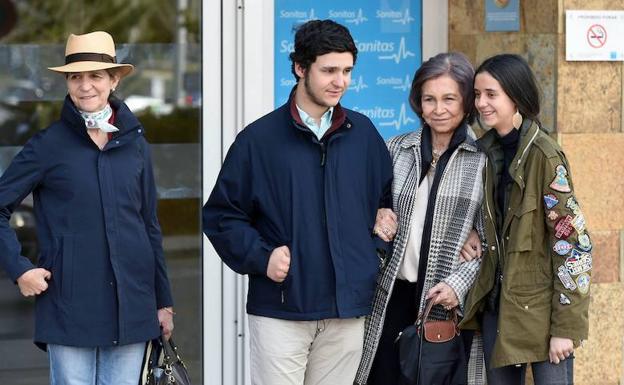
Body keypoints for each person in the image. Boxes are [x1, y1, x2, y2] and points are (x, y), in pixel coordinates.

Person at [202, 19, 394, 385]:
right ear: (300, 68)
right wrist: (262, 257)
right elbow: (222, 216)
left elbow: (386, 202)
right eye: (329, 71)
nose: (341, 81)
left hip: (346, 310)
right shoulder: (257, 141)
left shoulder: (364, 135)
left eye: (347, 71)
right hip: (282, 311)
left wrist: (374, 250)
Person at [0, 31, 174, 385]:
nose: (85, 86)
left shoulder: (135, 143)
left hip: (133, 307)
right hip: (70, 306)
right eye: (75, 77)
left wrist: (163, 301)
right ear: (67, 82)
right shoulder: (48, 146)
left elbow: (149, 225)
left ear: (113, 79)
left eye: (95, 75)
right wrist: (19, 269)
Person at [355, 52, 487, 385]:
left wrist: (459, 284)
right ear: (418, 101)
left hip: (444, 303)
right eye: (429, 99)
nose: (438, 109)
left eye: (449, 99)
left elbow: (495, 245)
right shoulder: (395, 148)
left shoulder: (484, 160)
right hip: (388, 297)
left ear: (467, 102)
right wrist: (374, 216)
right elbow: (364, 204)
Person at [461, 53, 590, 385]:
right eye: (477, 94)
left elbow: (573, 245)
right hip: (497, 307)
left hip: (541, 314)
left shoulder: (545, 156)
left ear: (515, 96)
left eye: (491, 94)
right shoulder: (484, 152)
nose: (481, 103)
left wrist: (565, 329)